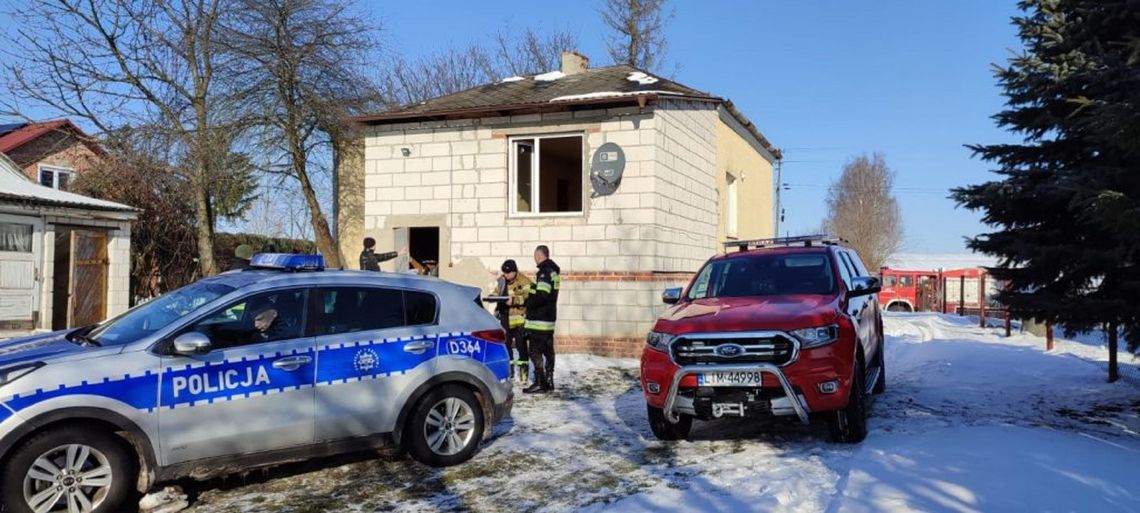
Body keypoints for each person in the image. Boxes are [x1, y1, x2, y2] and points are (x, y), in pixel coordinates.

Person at [523, 245, 560, 394]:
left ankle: (540, 382)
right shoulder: (554, 272)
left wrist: (529, 301)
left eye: (535, 256)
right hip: (549, 320)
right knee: (548, 351)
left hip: (540, 321)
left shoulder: (544, 272)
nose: (534, 259)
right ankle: (549, 380)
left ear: (539, 255)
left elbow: (542, 295)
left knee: (534, 351)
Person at [496, 259, 531, 383]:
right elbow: (497, 292)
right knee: (506, 347)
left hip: (520, 321)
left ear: (514, 271)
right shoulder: (502, 281)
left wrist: (515, 301)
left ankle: (524, 375)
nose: (505, 275)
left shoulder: (524, 281)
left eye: (508, 273)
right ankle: (509, 373)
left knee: (522, 349)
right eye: (504, 273)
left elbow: (530, 298)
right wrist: (493, 297)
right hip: (505, 318)